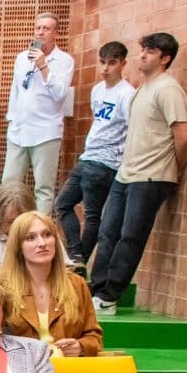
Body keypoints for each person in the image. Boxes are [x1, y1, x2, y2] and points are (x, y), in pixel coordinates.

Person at [92, 33, 187, 316]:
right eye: (143, 50)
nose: (143, 56)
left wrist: (174, 169)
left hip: (151, 176)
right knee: (108, 231)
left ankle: (109, 297)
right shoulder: (140, 91)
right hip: (126, 174)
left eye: (150, 51)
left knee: (130, 236)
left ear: (165, 58)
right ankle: (97, 290)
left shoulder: (168, 89)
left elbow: (183, 137)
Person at [55, 42, 134, 273]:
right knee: (63, 203)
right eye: (103, 62)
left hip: (107, 161)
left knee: (92, 214)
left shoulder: (127, 94)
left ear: (122, 64)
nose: (106, 68)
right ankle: (77, 255)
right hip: (88, 157)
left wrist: (122, 162)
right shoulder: (97, 90)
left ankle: (80, 260)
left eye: (112, 63)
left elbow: (131, 129)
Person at [0, 212, 103, 357]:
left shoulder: (76, 284)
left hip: (68, 371)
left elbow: (94, 337)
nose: (42, 243)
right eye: (31, 238)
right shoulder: (2, 288)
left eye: (47, 235)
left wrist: (81, 346)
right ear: (18, 247)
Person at [4, 12, 75, 215]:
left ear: (55, 34)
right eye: (38, 28)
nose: (40, 32)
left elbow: (60, 94)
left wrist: (43, 65)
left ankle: (40, 229)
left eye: (46, 28)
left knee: (43, 187)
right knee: (9, 184)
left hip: (46, 132)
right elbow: (16, 91)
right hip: (19, 130)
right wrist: (12, 119)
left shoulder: (64, 60)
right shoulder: (21, 58)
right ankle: (7, 227)